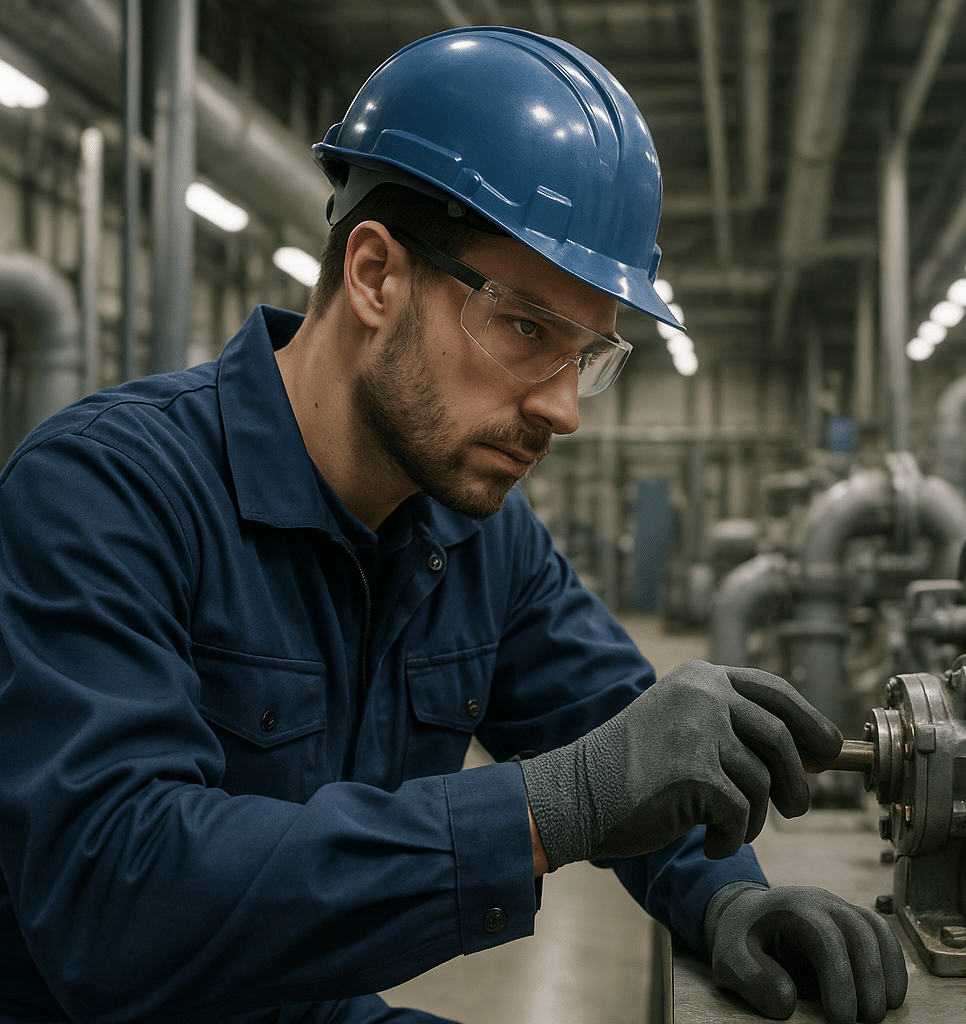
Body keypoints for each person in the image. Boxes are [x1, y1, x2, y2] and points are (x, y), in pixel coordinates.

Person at [0, 27, 907, 1024]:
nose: (563, 408)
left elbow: (625, 736)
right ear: (375, 275)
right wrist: (551, 808)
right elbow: (113, 902)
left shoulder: (478, 538)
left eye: (588, 357)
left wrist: (728, 895)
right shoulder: (108, 492)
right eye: (526, 328)